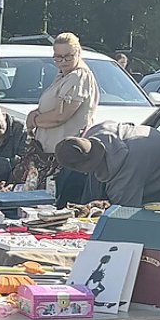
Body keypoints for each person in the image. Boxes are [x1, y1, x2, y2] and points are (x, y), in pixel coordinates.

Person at [22, 32, 97, 199]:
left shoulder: (80, 76)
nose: (62, 62)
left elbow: (60, 116)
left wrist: (34, 119)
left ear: (79, 53)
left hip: (63, 159)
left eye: (68, 57)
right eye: (57, 58)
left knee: (55, 203)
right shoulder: (64, 74)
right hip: (49, 155)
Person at [56, 121, 160, 207]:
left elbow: (123, 212)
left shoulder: (128, 169)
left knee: (135, 219)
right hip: (148, 155)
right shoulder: (96, 133)